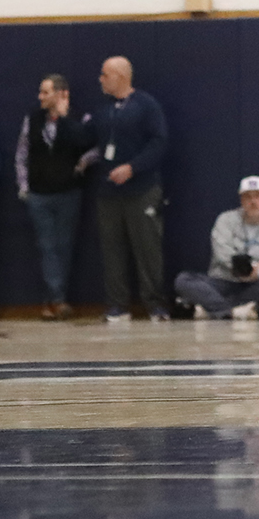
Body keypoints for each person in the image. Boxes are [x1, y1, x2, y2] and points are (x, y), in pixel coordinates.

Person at [89, 56, 167, 324]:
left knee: (147, 249)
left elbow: (159, 143)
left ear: (121, 76)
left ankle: (155, 305)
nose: (101, 79)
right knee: (112, 251)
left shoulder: (146, 105)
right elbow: (89, 139)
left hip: (141, 189)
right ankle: (117, 305)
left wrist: (133, 168)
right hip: (109, 194)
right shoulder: (102, 109)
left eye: (105, 74)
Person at [14, 71, 93, 319]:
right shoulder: (33, 118)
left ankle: (52, 300)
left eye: (45, 92)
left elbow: (94, 145)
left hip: (68, 192)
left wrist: (84, 161)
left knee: (64, 247)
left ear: (61, 94)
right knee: (47, 246)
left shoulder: (82, 118)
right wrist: (24, 186)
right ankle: (58, 299)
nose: (40, 97)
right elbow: (22, 153)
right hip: (39, 194)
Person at [174, 176, 259, 320]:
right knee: (183, 280)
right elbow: (222, 254)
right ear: (241, 200)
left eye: (258, 196)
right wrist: (253, 267)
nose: (253, 202)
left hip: (254, 286)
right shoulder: (225, 220)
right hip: (222, 282)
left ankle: (213, 310)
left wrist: (258, 274)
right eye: (247, 197)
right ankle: (234, 312)